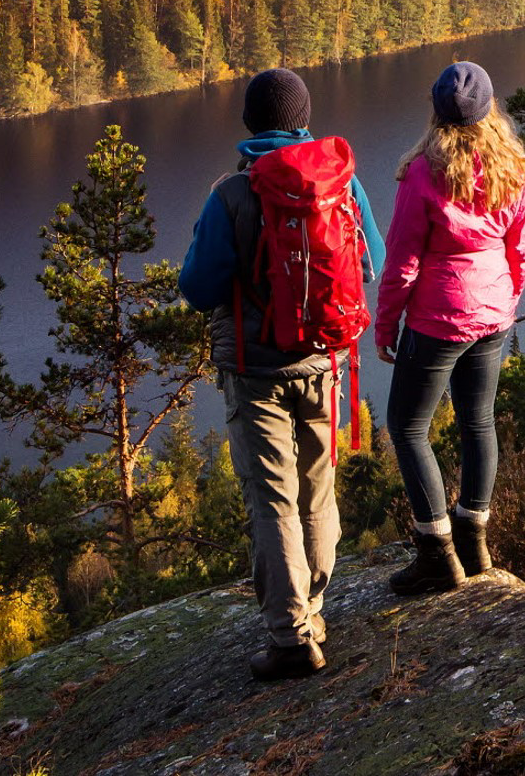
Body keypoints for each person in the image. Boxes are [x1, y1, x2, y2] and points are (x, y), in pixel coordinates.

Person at [180, 67, 386, 680]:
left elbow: (197, 288)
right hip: (323, 362)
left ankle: (291, 637)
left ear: (251, 123)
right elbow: (368, 263)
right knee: (317, 486)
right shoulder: (342, 185)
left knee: (272, 499)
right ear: (303, 118)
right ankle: (313, 607)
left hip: (255, 369)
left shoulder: (230, 193)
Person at [376, 61, 525, 595]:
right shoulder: (511, 167)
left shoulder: (423, 172)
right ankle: (475, 539)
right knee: (478, 421)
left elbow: (401, 260)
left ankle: (438, 552)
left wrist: (386, 324)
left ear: (436, 112)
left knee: (406, 427)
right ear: (491, 110)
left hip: (438, 319)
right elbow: (520, 249)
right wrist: (506, 301)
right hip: (492, 313)